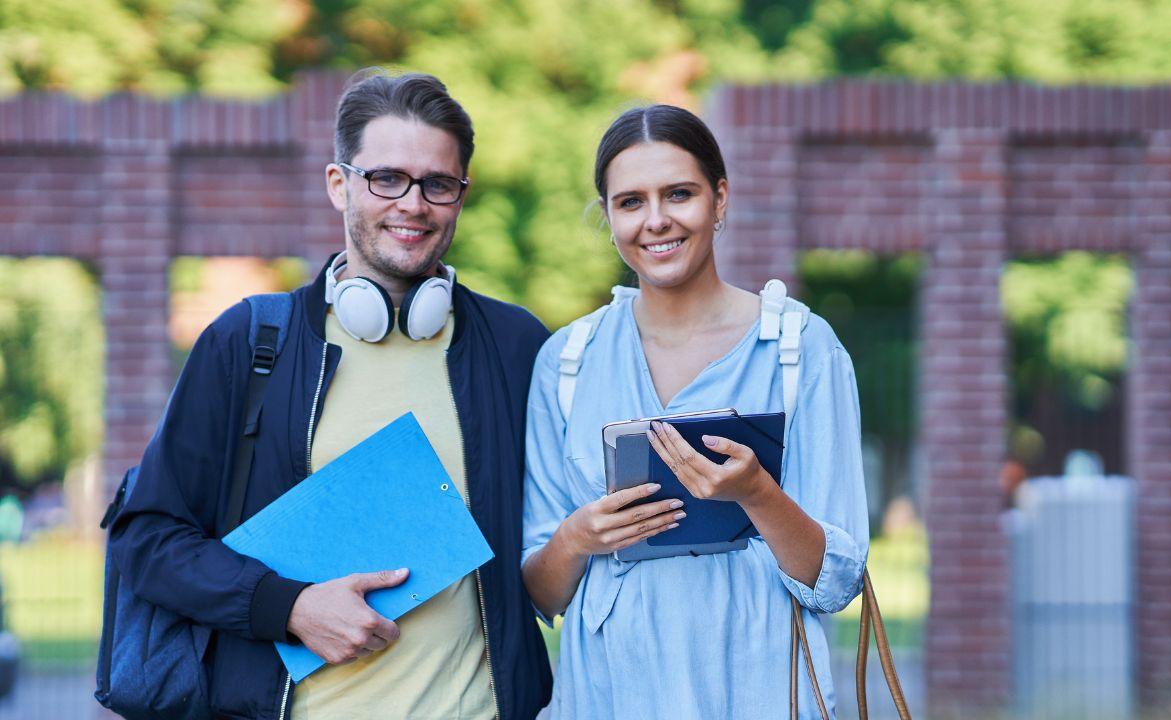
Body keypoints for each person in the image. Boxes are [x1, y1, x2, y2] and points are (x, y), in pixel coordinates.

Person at [110, 69, 553, 719]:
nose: (413, 204)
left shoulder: (516, 347)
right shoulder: (249, 344)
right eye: (386, 179)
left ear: (461, 195)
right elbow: (147, 540)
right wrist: (287, 607)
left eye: (437, 184)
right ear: (339, 184)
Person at [521, 105, 870, 718]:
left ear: (720, 199)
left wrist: (757, 493)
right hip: (609, 697)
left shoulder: (798, 349)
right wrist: (577, 536)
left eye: (679, 194)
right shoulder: (567, 362)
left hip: (758, 692)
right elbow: (541, 594)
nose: (656, 220)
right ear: (608, 216)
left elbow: (836, 583)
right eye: (631, 202)